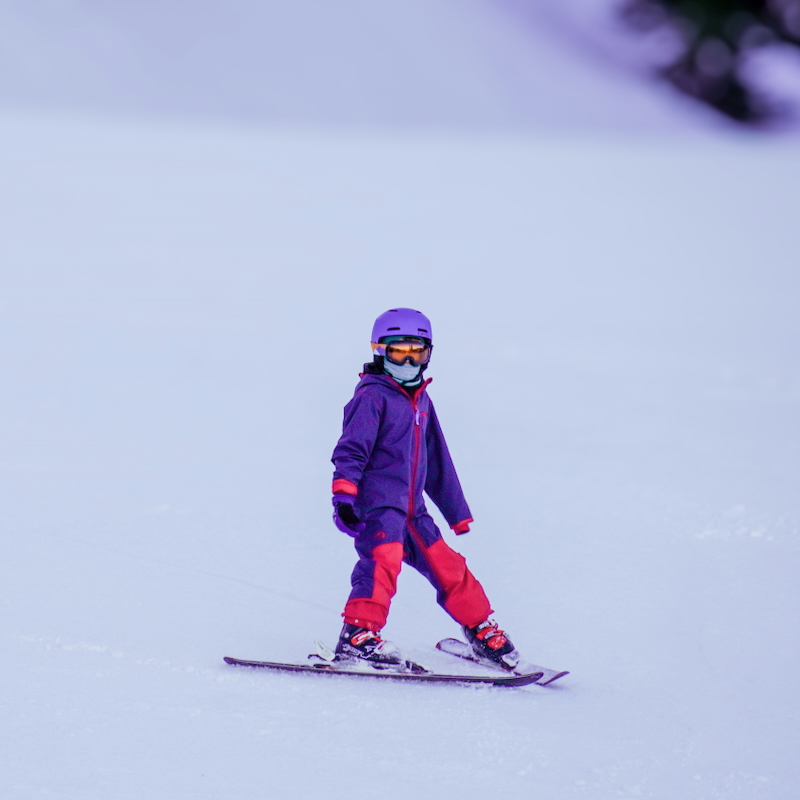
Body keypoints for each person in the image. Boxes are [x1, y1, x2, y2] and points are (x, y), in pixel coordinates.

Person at [330, 307, 519, 670]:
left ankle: (481, 630)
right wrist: (344, 497)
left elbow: (437, 459)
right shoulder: (372, 398)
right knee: (381, 563)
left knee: (450, 567)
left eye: (417, 351)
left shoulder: (421, 400)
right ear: (379, 350)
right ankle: (357, 636)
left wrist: (456, 513)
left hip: (414, 512)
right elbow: (351, 450)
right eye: (399, 350)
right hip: (379, 508)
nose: (409, 359)